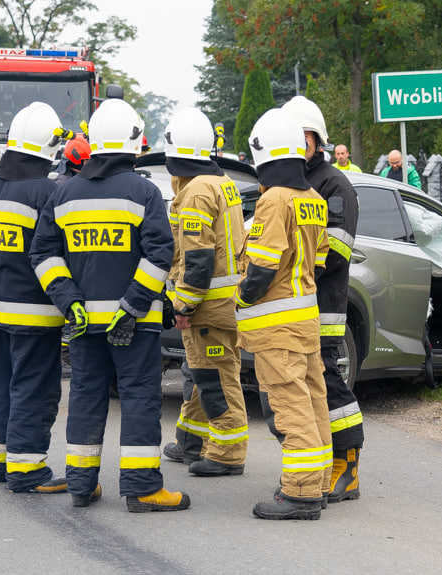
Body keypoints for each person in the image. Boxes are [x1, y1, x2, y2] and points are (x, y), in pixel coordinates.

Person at [29, 98, 190, 512]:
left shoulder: (64, 195)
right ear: (134, 143)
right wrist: (133, 306)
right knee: (139, 398)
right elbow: (160, 254)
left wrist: (70, 303)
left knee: (85, 396)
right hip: (132, 325)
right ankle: (141, 489)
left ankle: (82, 485)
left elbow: (43, 255)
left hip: (83, 325)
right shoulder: (144, 192)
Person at [0, 101, 68, 494]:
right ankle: (26, 470)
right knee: (35, 390)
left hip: (1, 311)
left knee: (6, 386)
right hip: (39, 314)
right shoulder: (47, 192)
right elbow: (56, 253)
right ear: (48, 147)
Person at [236, 108, 332, 520]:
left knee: (290, 405)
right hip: (305, 320)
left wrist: (240, 300)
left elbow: (260, 268)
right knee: (313, 402)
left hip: (276, 326)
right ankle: (319, 480)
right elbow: (322, 259)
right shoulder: (312, 199)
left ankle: (301, 493)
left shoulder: (273, 200)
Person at [283, 95, 363, 503]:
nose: (298, 144)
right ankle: (314, 467)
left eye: (305, 137)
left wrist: (289, 269)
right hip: (292, 306)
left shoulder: (335, 185)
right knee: (301, 392)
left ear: (319, 141)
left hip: (323, 306)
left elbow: (337, 251)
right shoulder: (287, 182)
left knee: (330, 385)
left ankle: (346, 468)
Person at [160, 107, 248, 477]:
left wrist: (183, 304)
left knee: (216, 378)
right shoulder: (220, 181)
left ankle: (227, 454)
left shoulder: (195, 192)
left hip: (207, 305)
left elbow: (197, 259)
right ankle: (191, 441)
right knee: (201, 373)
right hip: (222, 303)